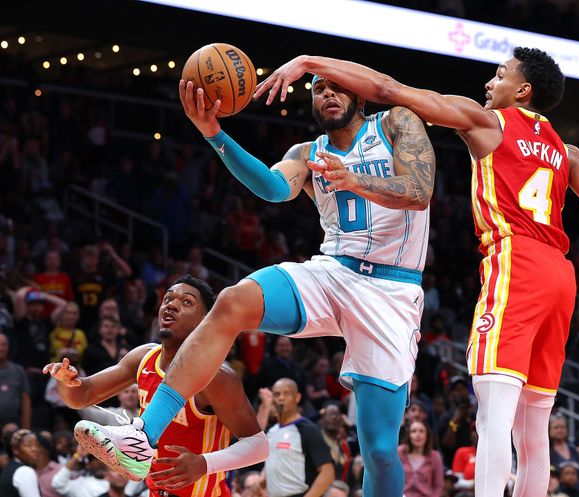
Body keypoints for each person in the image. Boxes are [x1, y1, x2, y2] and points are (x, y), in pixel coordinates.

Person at [254, 48, 579, 497]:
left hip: (515, 262)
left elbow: (389, 89)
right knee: (533, 428)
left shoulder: (488, 123)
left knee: (493, 417)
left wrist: (311, 64)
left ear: (523, 90)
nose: (488, 84)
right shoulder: (567, 152)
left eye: (498, 75)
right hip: (560, 276)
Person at [75, 67, 435, 497]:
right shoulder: (309, 152)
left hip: (392, 291)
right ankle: (142, 438)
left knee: (377, 449)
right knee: (231, 301)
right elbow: (269, 186)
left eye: (338, 87)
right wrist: (214, 133)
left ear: (361, 97)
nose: (328, 94)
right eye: (319, 89)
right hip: (333, 271)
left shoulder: (395, 122)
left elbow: (419, 190)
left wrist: (355, 178)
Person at [43, 275, 269, 495]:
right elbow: (82, 396)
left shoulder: (216, 376)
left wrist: (204, 464)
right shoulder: (143, 357)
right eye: (168, 299)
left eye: (187, 302)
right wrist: (66, 381)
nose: (171, 305)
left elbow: (259, 446)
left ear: (205, 321)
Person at [263, 378, 334, 497]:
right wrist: (261, 481)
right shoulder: (272, 431)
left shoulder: (307, 430)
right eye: (277, 394)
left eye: (286, 394)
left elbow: (327, 472)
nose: (281, 398)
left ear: (297, 397)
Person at [398, 420, 444, 497]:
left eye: (421, 431)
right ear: (409, 435)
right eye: (414, 431)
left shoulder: (435, 456)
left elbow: (438, 486)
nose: (418, 435)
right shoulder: (400, 452)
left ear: (427, 435)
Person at [0, 428, 42, 497]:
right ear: (15, 449)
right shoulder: (25, 471)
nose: (35, 449)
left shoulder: (10, 467)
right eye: (29, 445)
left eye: (37, 445)